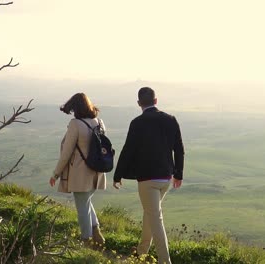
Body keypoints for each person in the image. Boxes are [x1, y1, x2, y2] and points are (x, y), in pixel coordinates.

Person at [113, 87, 185, 264]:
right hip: (166, 178)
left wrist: (117, 175)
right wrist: (179, 174)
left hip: (147, 180)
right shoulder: (171, 119)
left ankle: (164, 261)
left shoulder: (137, 123)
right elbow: (179, 150)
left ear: (139, 103)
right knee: (150, 214)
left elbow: (128, 150)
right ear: (156, 101)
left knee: (155, 217)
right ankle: (141, 251)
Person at [50, 93, 106, 247]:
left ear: (76, 108)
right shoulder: (98, 122)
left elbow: (66, 153)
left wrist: (56, 173)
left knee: (82, 207)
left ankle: (86, 240)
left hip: (80, 173)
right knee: (86, 201)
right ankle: (96, 232)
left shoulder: (75, 124)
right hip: (97, 171)